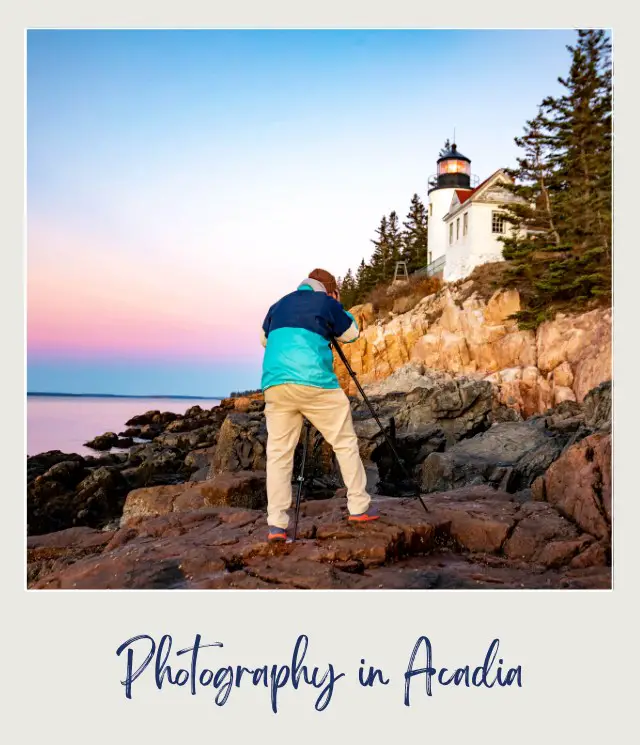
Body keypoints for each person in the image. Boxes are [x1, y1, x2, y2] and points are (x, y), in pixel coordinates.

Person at [260, 268, 379, 541]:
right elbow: (351, 334)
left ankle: (276, 525)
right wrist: (337, 307)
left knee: (278, 454)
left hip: (275, 384)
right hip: (315, 382)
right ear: (330, 291)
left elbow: (264, 340)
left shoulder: (277, 305)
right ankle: (358, 507)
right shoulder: (327, 303)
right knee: (344, 442)